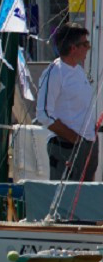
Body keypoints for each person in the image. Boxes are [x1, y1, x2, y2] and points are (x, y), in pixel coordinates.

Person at [37, 22, 97, 182]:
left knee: (85, 200)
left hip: (86, 145)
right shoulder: (55, 73)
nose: (89, 48)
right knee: (65, 201)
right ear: (73, 48)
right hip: (67, 147)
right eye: (85, 44)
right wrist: (74, 138)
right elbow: (43, 115)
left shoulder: (77, 70)